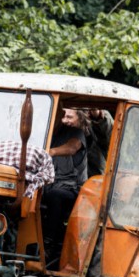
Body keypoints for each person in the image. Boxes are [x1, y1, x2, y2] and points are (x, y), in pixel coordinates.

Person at [42, 108, 90, 259]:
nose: (64, 120)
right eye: (62, 116)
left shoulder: (76, 133)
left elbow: (72, 147)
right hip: (50, 184)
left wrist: (51, 151)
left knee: (55, 195)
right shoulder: (50, 133)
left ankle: (48, 243)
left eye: (68, 116)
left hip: (73, 188)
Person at [86, 109, 113, 177]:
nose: (65, 120)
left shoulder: (101, 119)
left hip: (95, 176)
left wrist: (97, 115)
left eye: (69, 117)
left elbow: (107, 131)